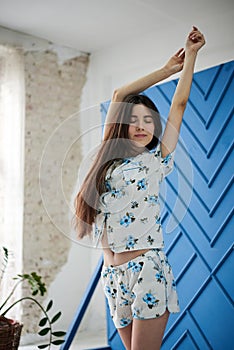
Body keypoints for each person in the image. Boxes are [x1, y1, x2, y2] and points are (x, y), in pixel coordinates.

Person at [75, 26, 205, 350]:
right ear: (123, 125)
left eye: (149, 120)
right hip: (113, 276)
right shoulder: (110, 156)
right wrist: (165, 70)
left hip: (146, 270)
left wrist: (190, 57)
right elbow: (119, 94)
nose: (142, 126)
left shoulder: (156, 160)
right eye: (135, 120)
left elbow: (180, 104)